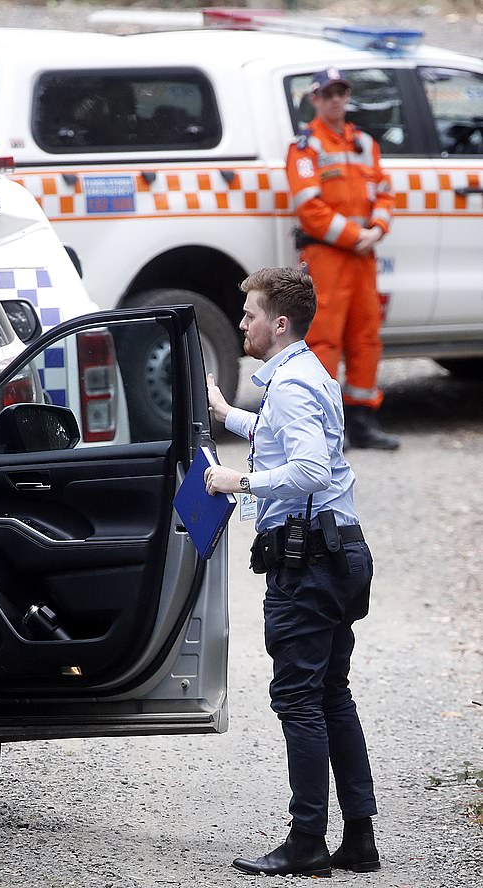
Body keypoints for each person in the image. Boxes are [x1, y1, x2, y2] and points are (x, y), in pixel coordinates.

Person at [204, 267, 380, 878]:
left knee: (300, 701)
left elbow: (307, 470)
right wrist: (228, 415)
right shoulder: (303, 375)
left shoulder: (293, 386)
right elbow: (286, 434)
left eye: (250, 314)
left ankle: (306, 842)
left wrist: (238, 479)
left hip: (311, 565)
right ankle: (358, 839)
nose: (241, 323)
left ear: (279, 324)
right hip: (336, 557)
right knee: (331, 695)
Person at [285, 67, 399, 450]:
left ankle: (362, 422)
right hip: (328, 256)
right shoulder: (306, 147)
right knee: (324, 339)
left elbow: (385, 195)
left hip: (363, 256)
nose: (336, 99)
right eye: (328, 93)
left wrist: (377, 230)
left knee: (366, 337)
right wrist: (356, 236)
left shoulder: (365, 143)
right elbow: (309, 208)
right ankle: (323, 427)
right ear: (315, 99)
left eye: (341, 92)